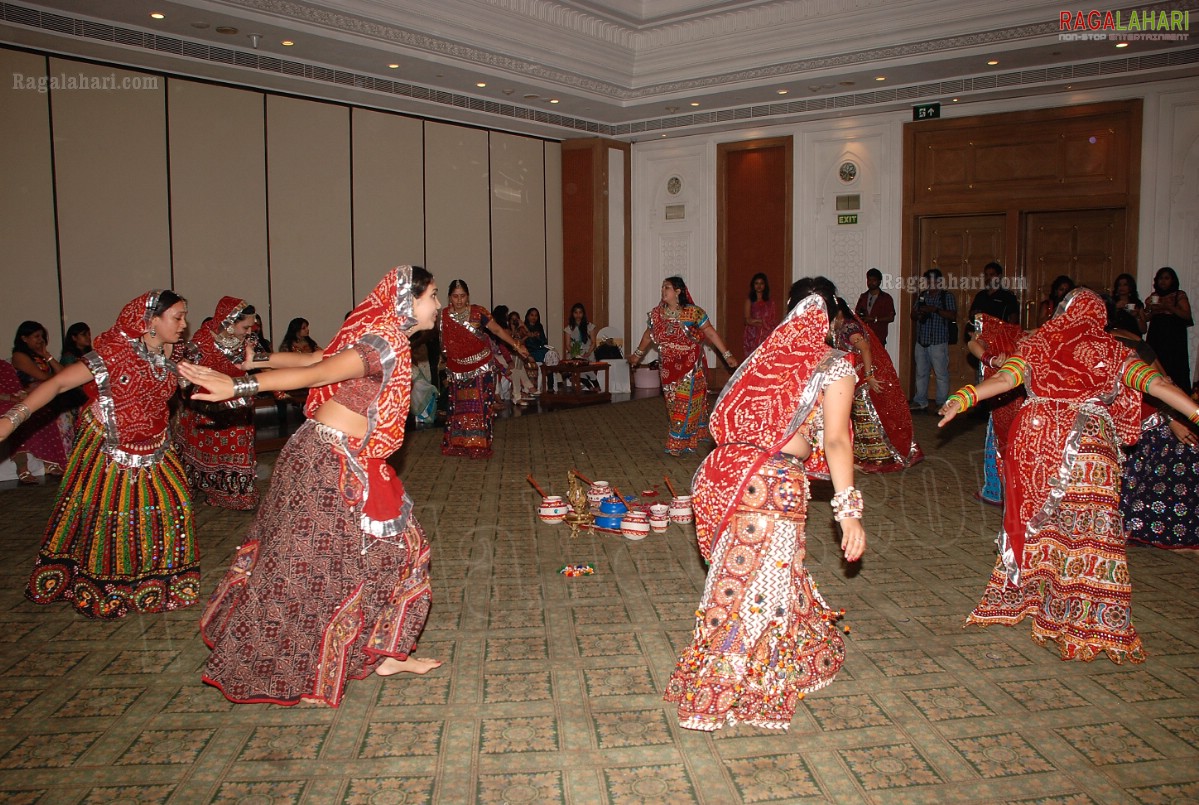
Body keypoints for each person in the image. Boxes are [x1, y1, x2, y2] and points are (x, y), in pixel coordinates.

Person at [182, 266, 443, 706]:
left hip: (348, 458)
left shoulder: (380, 334)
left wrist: (256, 362)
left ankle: (385, 654)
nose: (437, 304)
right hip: (330, 463)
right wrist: (240, 384)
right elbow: (320, 375)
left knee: (399, 551)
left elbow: (316, 361)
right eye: (433, 294)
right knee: (313, 570)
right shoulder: (384, 340)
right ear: (407, 300)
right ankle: (295, 669)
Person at [938, 288, 1199, 663]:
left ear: (1062, 312)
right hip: (1092, 448)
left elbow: (1006, 380)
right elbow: (1157, 386)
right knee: (1093, 532)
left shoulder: (1040, 341)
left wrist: (963, 398)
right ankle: (1091, 618)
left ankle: (1040, 599)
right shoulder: (1113, 350)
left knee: (1045, 526)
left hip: (1040, 442)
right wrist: (1196, 414)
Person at [663, 282, 866, 731]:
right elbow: (834, 440)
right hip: (773, 485)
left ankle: (715, 674)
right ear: (832, 320)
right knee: (764, 585)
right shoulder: (833, 365)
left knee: (736, 577)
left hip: (725, 476)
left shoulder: (764, 362)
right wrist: (848, 510)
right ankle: (746, 684)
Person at [4, 291, 199, 619]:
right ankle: (109, 590)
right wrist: (11, 419)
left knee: (174, 504)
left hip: (155, 444)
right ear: (150, 321)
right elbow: (57, 385)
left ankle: (157, 584)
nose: (183, 324)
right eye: (177, 317)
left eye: (184, 317)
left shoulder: (171, 351)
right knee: (115, 518)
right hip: (111, 445)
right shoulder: (113, 354)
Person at [628, 276, 739, 456]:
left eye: (668, 288)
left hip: (689, 366)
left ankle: (677, 442)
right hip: (667, 369)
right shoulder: (657, 315)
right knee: (672, 405)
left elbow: (710, 333)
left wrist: (727, 355)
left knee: (684, 404)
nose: (663, 291)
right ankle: (685, 438)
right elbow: (648, 336)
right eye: (662, 287)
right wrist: (637, 355)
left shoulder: (693, 313)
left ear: (678, 291)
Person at [176, 297, 261, 511]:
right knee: (205, 453)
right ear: (229, 323)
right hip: (207, 409)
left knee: (240, 448)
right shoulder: (202, 342)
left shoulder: (247, 341)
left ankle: (237, 495)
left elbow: (261, 363)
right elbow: (186, 377)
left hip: (239, 407)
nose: (249, 330)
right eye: (245, 326)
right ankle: (211, 490)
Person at [440, 279, 529, 458]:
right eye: (455, 296)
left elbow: (497, 330)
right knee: (459, 408)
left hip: (480, 367)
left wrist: (517, 345)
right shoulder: (443, 316)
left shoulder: (478, 312)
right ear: (450, 297)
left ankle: (479, 444)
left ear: (468, 296)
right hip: (457, 370)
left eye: (462, 296)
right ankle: (458, 443)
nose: (459, 300)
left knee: (479, 407)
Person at [833, 297, 923, 472]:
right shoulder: (840, 327)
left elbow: (865, 348)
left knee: (867, 415)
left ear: (838, 312)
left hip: (866, 376)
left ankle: (880, 458)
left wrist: (869, 376)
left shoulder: (849, 327)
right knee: (860, 417)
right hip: (856, 377)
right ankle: (867, 455)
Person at [965, 313, 1026, 506]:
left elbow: (972, 345)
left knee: (996, 442)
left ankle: (993, 492)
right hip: (1026, 403)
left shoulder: (993, 337)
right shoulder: (1021, 336)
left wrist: (991, 361)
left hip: (1006, 400)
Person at [8, 321, 73, 482]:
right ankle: (26, 468)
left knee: (65, 413)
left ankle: (62, 461)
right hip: (28, 397)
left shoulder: (40, 356)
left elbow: (65, 376)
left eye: (42, 336)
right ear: (24, 338)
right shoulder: (19, 356)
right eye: (36, 336)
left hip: (46, 396)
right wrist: (58, 380)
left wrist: (47, 355)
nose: (41, 340)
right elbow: (43, 377)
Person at [909, 268, 957, 413]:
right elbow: (913, 313)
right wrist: (919, 314)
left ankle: (942, 402)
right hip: (921, 340)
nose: (930, 283)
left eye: (933, 280)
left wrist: (934, 310)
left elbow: (952, 315)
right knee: (920, 372)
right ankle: (920, 401)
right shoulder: (922, 295)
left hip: (938, 341)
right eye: (928, 280)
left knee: (941, 374)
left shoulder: (946, 296)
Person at [1145, 266, 1193, 392]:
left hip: (1174, 336)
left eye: (1167, 278)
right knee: (1156, 364)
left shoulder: (1179, 295)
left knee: (1176, 366)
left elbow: (1187, 315)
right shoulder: (1154, 296)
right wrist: (1148, 307)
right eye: (1161, 278)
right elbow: (1146, 318)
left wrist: (1169, 306)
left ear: (1173, 280)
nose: (1163, 281)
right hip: (1157, 334)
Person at [854, 268, 896, 345]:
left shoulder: (886, 298)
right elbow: (856, 314)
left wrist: (874, 319)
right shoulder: (863, 297)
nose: (871, 282)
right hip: (864, 336)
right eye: (869, 280)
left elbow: (891, 317)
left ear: (879, 281)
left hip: (879, 337)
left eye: (874, 280)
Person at [563, 302, 599, 390]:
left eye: (580, 312)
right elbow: (567, 345)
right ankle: (591, 387)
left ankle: (596, 386)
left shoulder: (589, 326)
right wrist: (575, 353)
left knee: (587, 368)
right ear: (572, 314)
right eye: (576, 312)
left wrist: (588, 352)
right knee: (576, 368)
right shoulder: (569, 328)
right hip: (575, 352)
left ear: (583, 314)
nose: (578, 315)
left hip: (587, 352)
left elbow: (593, 342)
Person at [743, 272, 778, 355]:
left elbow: (772, 320)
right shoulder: (750, 301)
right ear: (753, 285)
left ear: (765, 285)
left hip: (766, 334)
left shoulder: (770, 302)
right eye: (756, 283)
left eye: (761, 283)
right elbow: (747, 320)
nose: (759, 286)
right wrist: (760, 321)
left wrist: (762, 323)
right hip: (752, 335)